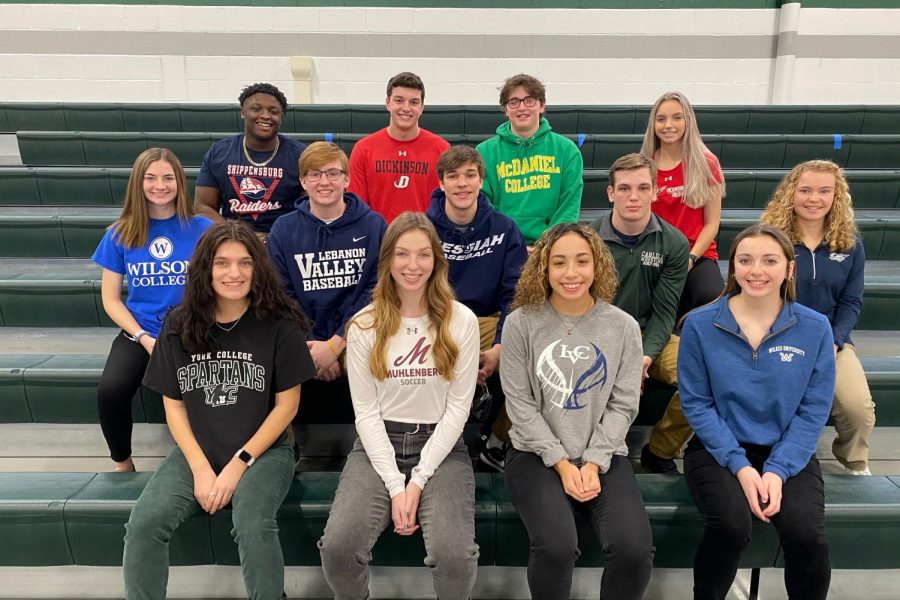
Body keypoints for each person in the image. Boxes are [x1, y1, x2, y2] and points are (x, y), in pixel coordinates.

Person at [123, 221, 316, 600]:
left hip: (265, 452)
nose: (234, 273)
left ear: (258, 269)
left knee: (253, 524)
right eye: (222, 263)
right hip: (198, 449)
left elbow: (286, 405)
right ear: (205, 269)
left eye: (245, 263)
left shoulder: (280, 322)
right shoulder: (178, 323)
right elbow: (174, 406)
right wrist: (199, 467)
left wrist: (237, 464)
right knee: (144, 524)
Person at [318, 212, 481, 600]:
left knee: (455, 555)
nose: (413, 265)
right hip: (378, 444)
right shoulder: (363, 324)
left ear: (436, 261)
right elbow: (366, 414)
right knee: (339, 548)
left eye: (423, 255)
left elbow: (459, 409)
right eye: (403, 254)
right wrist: (396, 486)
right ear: (387, 259)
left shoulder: (462, 321)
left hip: (441, 446)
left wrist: (418, 481)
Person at [679, 223, 834, 600]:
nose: (756, 271)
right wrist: (741, 467)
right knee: (729, 526)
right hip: (717, 450)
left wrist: (778, 470)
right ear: (733, 268)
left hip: (787, 451)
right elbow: (697, 404)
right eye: (745, 260)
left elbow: (814, 410)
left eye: (769, 261)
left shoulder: (815, 328)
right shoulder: (700, 324)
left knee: (806, 535)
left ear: (788, 269)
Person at [500, 223, 653, 600]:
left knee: (634, 551)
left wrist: (593, 461)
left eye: (582, 261)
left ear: (597, 266)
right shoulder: (521, 323)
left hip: (601, 454)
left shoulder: (623, 327)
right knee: (556, 547)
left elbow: (623, 403)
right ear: (544, 269)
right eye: (560, 262)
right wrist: (562, 463)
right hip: (534, 455)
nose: (571, 273)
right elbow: (519, 405)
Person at [92, 147, 212, 472]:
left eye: (168, 177)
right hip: (140, 331)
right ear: (138, 183)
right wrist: (144, 337)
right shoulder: (120, 233)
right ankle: (123, 464)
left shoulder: (202, 228)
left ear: (179, 182)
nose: (160, 185)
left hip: (193, 331)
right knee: (110, 392)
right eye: (151, 178)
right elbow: (111, 300)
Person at [761, 159, 875, 475]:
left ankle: (853, 459)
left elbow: (851, 302)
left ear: (836, 196)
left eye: (824, 191)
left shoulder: (850, 245)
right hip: (776, 335)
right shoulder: (770, 239)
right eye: (806, 190)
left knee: (859, 410)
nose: (814, 199)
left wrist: (835, 341)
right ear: (790, 194)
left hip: (830, 341)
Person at [424, 145, 527, 471]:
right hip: (439, 320)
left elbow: (515, 295)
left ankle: (497, 444)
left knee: (536, 351)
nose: (462, 184)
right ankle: (430, 444)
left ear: (481, 180)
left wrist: (499, 346)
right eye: (453, 176)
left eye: (470, 175)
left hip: (489, 321)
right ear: (441, 183)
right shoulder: (423, 228)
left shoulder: (504, 227)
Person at [589, 153, 690, 474]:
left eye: (643, 188)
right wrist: (618, 353)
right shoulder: (588, 240)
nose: (634, 197)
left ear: (655, 191)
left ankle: (660, 450)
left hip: (649, 335)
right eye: (625, 188)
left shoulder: (673, 242)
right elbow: (584, 310)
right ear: (611, 193)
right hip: (598, 335)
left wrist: (644, 357)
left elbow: (665, 313)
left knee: (708, 371)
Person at [268, 141, 386, 384]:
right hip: (303, 339)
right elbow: (282, 296)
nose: (324, 182)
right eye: (314, 174)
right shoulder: (283, 229)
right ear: (302, 181)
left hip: (360, 336)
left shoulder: (374, 225)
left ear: (347, 179)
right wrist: (311, 346)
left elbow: (376, 291)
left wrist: (336, 344)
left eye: (333, 173)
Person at [640, 91, 726, 318]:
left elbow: (712, 223)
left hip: (697, 255)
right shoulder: (644, 163)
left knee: (712, 298)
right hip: (656, 256)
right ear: (653, 123)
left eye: (677, 117)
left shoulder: (707, 163)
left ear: (688, 120)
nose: (669, 125)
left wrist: (690, 259)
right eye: (661, 119)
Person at [476, 73, 583, 249]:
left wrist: (547, 246)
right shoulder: (484, 152)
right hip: (501, 246)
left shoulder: (567, 151)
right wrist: (509, 244)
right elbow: (482, 204)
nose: (522, 107)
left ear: (542, 106)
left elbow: (569, 205)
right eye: (514, 102)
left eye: (529, 100)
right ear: (506, 109)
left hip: (551, 247)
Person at [194, 82, 305, 235]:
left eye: (273, 111)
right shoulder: (219, 152)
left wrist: (275, 238)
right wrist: (237, 236)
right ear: (243, 112)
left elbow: (309, 210)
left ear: (281, 117)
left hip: (283, 241)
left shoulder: (300, 156)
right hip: (232, 239)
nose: (265, 115)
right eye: (256, 109)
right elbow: (202, 207)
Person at [347, 72, 450, 224]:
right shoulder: (363, 149)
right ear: (388, 103)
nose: (406, 108)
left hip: (426, 240)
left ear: (422, 107)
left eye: (414, 102)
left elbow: (447, 204)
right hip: (380, 240)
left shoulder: (441, 149)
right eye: (399, 100)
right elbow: (357, 208)